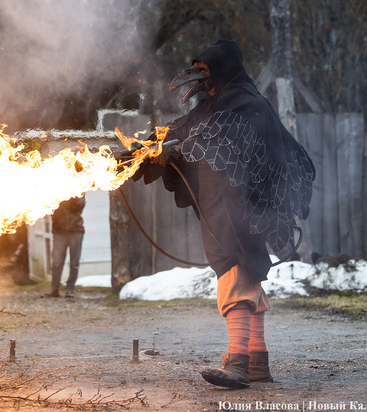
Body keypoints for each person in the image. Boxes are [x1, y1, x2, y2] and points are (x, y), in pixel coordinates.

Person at [133, 40, 315, 389]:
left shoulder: (247, 104)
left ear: (223, 68)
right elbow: (184, 130)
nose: (200, 79)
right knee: (245, 273)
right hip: (225, 201)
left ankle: (238, 363)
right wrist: (143, 150)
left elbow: (214, 140)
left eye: (205, 71)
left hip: (249, 205)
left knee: (235, 270)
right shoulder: (212, 105)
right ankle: (258, 361)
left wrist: (177, 150)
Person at [45, 195, 86, 298]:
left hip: (76, 231)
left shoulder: (78, 188)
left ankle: (70, 289)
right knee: (57, 263)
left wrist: (71, 197)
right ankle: (54, 290)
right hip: (59, 232)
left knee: (74, 263)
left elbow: (79, 206)